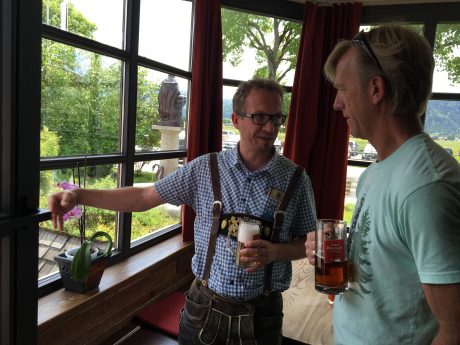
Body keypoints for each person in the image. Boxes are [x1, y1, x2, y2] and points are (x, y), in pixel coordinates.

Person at [49, 79, 317, 345]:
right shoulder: (205, 169)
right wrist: (79, 194)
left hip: (263, 316)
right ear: (236, 119)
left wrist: (274, 252)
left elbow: (309, 242)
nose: (270, 127)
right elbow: (144, 196)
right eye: (259, 117)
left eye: (276, 117)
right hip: (203, 310)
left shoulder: (295, 179)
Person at [305, 24, 460, 345]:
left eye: (343, 89)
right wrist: (341, 252)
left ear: (376, 89)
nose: (336, 103)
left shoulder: (426, 186)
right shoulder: (375, 172)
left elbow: (455, 330)